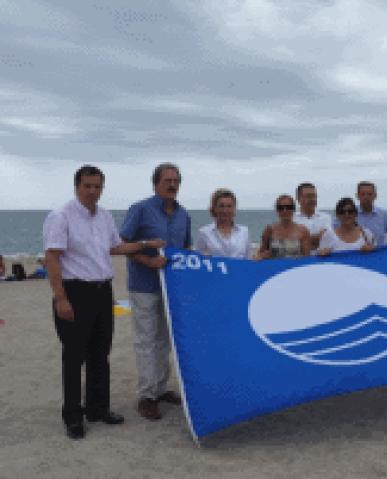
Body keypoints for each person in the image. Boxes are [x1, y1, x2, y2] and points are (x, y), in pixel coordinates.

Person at [43, 165, 164, 440]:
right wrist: (60, 298)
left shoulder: (105, 216)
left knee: (100, 354)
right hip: (74, 291)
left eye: (97, 186)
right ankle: (73, 416)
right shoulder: (60, 216)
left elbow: (115, 247)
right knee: (74, 357)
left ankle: (98, 409)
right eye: (87, 186)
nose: (92, 191)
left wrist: (144, 243)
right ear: (77, 186)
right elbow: (51, 257)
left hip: (102, 292)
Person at [120, 163, 192, 421]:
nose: (172, 185)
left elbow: (185, 249)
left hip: (172, 288)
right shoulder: (140, 209)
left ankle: (161, 389)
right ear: (156, 183)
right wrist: (148, 260)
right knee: (146, 341)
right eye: (167, 180)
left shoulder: (184, 215)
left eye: (176, 181)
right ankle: (147, 396)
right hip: (144, 286)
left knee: (165, 339)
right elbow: (122, 244)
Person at [195, 188, 251, 258]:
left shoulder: (244, 232)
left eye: (229, 206)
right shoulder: (204, 233)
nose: (225, 210)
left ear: (234, 208)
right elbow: (199, 260)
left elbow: (247, 259)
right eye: (221, 206)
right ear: (214, 208)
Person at [257, 195, 310, 259]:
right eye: (281, 208)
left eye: (289, 207)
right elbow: (260, 254)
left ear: (294, 209)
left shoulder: (303, 231)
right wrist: (263, 255)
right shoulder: (269, 230)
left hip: (294, 268)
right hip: (275, 268)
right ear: (277, 210)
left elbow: (307, 258)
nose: (285, 210)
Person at [293, 182, 332, 253]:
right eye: (308, 196)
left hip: (322, 260)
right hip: (300, 261)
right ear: (298, 198)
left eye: (314, 196)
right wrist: (316, 238)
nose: (312, 199)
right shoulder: (292, 219)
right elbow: (291, 246)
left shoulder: (326, 218)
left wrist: (303, 240)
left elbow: (330, 242)